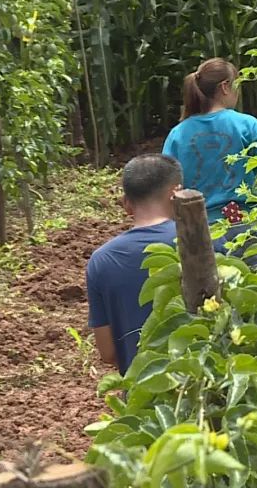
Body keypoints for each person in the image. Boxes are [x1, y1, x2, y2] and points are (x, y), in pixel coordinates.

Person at [162, 58, 257, 259]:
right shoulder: (247, 125)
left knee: (205, 288)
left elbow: (168, 186)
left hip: (197, 230)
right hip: (244, 224)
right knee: (256, 285)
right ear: (225, 87)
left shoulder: (177, 134)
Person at [86, 154, 182, 375]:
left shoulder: (102, 260)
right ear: (176, 194)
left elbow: (108, 352)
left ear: (126, 204)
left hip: (141, 396)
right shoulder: (206, 241)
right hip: (205, 392)